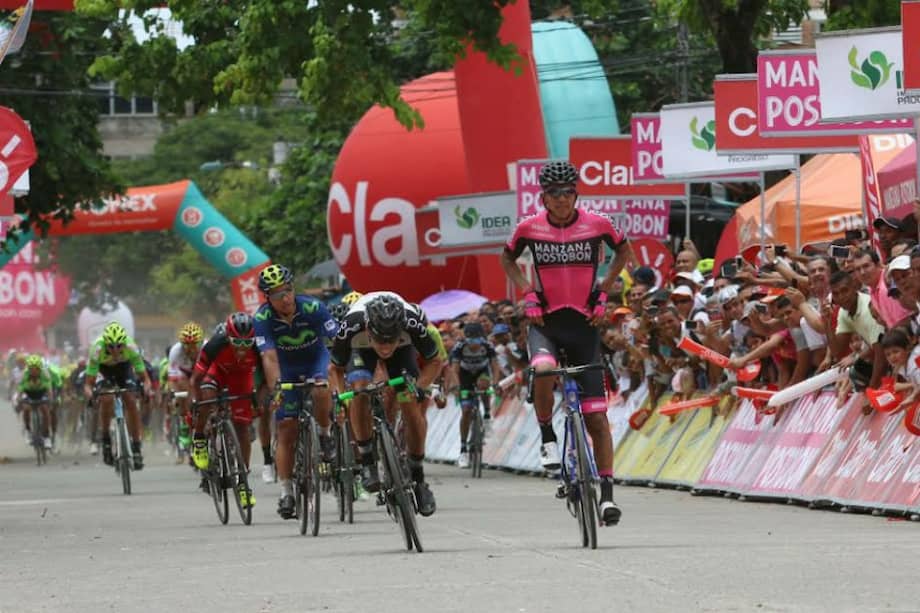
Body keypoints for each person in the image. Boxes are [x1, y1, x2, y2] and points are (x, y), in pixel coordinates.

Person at [499, 160, 632, 526]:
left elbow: (624, 250)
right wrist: (526, 292)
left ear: (577, 193)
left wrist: (605, 291)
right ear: (543, 196)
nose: (561, 200)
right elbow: (507, 257)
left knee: (596, 418)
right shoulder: (530, 226)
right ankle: (546, 436)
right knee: (543, 369)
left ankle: (606, 497)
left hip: (584, 324)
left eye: (567, 192)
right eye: (554, 194)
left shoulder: (597, 223)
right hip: (547, 322)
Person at [329, 292, 444, 517]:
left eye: (391, 339)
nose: (385, 347)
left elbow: (435, 361)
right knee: (360, 391)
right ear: (369, 329)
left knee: (409, 401)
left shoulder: (412, 323)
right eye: (381, 339)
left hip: (404, 352)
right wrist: (342, 396)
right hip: (361, 350)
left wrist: (420, 386)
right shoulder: (351, 326)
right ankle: (368, 460)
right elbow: (335, 369)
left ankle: (418, 478)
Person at [253, 264, 338, 520]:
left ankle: (324, 435)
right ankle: (286, 491)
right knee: (286, 428)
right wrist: (277, 388)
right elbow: (268, 356)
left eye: (288, 290)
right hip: (286, 368)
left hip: (316, 360)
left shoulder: (313, 307)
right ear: (268, 297)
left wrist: (338, 370)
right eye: (278, 294)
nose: (286, 298)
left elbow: (336, 340)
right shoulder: (263, 319)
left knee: (322, 389)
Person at [189, 312, 261, 508]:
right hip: (217, 373)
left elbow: (265, 376)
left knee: (243, 428)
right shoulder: (215, 344)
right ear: (228, 337)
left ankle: (243, 484)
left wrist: (259, 402)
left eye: (247, 344)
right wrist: (197, 402)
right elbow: (196, 378)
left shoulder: (257, 346)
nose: (241, 348)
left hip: (242, 377)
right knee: (207, 397)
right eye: (237, 343)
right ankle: (200, 440)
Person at [82, 322, 153, 469]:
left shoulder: (131, 348)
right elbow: (88, 384)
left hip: (124, 369)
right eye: (111, 347)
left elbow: (145, 378)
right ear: (105, 344)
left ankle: (136, 446)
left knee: (131, 400)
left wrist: (146, 389)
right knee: (106, 399)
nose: (115, 350)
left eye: (119, 346)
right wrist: (90, 395)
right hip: (104, 370)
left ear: (124, 343)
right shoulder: (97, 349)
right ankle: (106, 440)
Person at [449, 322, 501, 469]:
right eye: (471, 340)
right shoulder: (459, 348)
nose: (474, 344)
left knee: (484, 385)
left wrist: (496, 384)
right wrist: (456, 387)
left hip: (481, 372)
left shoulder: (488, 346)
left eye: (477, 340)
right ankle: (463, 450)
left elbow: (495, 367)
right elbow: (454, 370)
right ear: (466, 339)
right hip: (465, 375)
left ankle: (487, 416)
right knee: (465, 411)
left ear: (482, 338)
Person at [17, 354, 54, 449]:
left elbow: (49, 388)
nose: (34, 371)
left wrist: (51, 398)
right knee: (26, 409)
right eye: (31, 369)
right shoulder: (24, 374)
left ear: (39, 368)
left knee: (45, 410)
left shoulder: (44, 373)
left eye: (36, 369)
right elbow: (20, 388)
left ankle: (46, 436)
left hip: (41, 393)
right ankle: (28, 431)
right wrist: (19, 398)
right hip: (29, 393)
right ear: (28, 369)